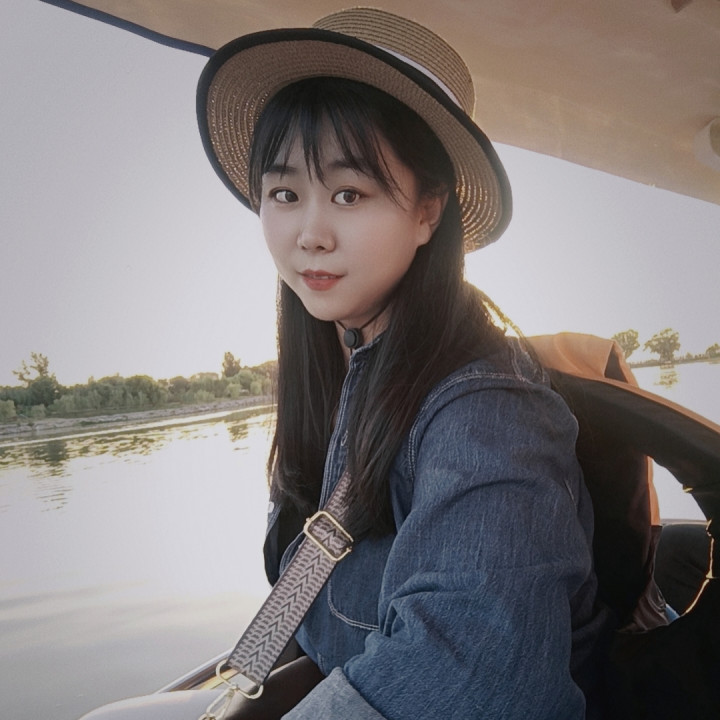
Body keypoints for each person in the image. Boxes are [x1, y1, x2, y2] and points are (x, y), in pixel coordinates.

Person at [197, 8, 610, 719]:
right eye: (285, 193)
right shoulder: (342, 374)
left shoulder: (489, 412)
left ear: (427, 212)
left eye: (349, 194)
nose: (310, 233)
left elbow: (474, 677)